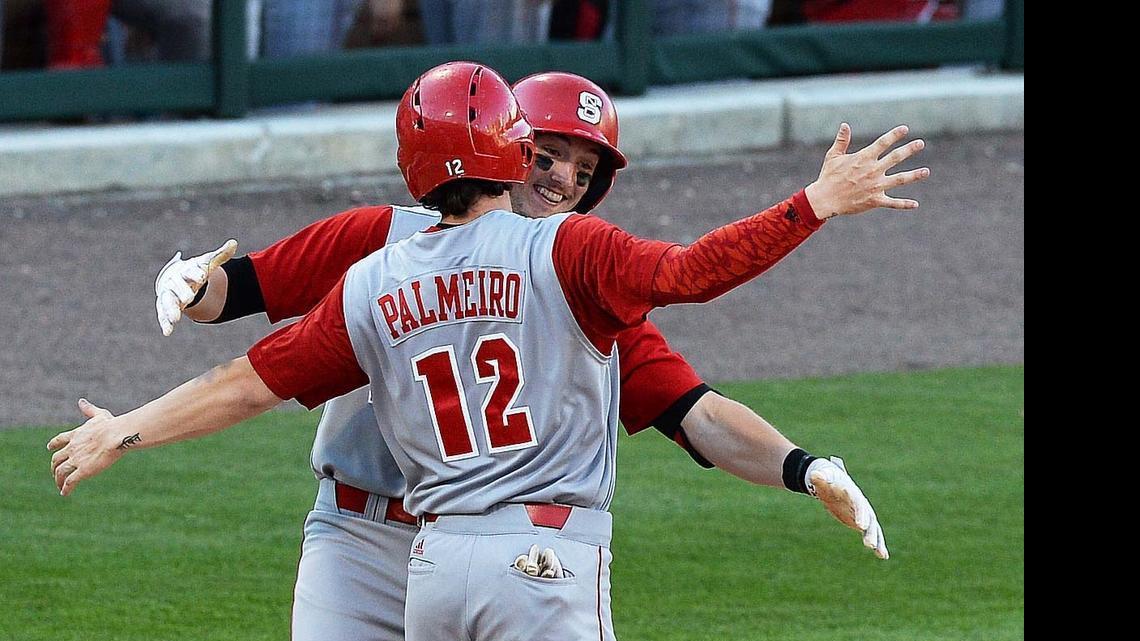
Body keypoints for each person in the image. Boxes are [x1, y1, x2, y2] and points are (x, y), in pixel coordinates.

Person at [50, 62, 926, 640]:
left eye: (584, 173)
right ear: (508, 148)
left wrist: (802, 464)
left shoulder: (429, 278)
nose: (563, 181)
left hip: (439, 550)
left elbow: (693, 412)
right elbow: (236, 303)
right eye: (549, 157)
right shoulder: (445, 250)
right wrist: (193, 285)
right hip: (404, 541)